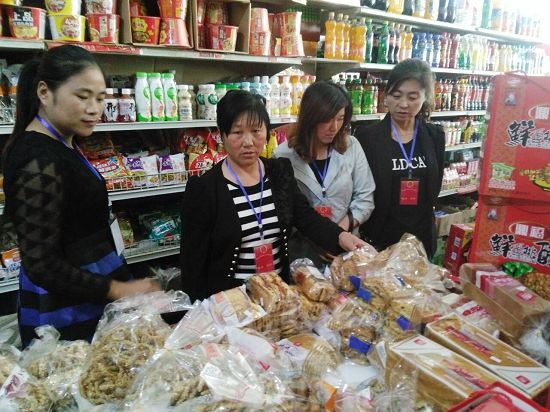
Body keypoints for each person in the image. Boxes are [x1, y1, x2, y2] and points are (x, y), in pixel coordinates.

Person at [2, 45, 160, 346]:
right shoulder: (36, 159)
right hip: (67, 306)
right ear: (44, 92)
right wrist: (117, 290)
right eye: (82, 96)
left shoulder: (62, 142)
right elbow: (42, 264)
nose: (93, 109)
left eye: (100, 98)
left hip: (92, 285)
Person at [180, 90, 366, 300]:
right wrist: (199, 308)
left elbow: (305, 216)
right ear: (222, 135)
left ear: (267, 132)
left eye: (256, 130)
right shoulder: (204, 189)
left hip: (278, 295)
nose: (248, 141)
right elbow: (192, 262)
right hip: (233, 302)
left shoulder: (279, 172)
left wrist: (341, 236)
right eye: (237, 132)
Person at [273, 81, 375, 267]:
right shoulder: (282, 155)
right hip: (302, 253)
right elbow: (288, 211)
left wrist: (338, 233)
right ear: (310, 117)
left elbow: (365, 197)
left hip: (347, 249)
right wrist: (323, 236)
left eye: (340, 118)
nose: (334, 127)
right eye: (327, 119)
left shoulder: (352, 146)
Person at [355, 59, 445, 258]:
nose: (403, 104)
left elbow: (435, 185)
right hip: (380, 239)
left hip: (421, 240)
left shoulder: (435, 136)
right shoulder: (367, 137)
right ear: (386, 96)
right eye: (396, 96)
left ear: (425, 97)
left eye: (413, 97)